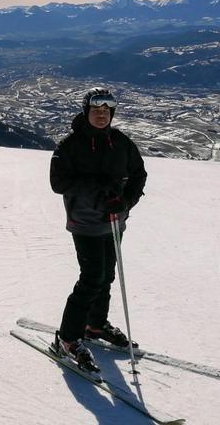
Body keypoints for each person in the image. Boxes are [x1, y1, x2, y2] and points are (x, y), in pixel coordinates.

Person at [49, 88, 147, 372]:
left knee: (106, 275)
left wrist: (125, 201)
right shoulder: (70, 145)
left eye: (106, 112)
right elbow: (58, 183)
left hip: (114, 221)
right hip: (85, 222)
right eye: (96, 111)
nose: (101, 116)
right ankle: (67, 337)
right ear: (85, 112)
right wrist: (98, 187)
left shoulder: (120, 142)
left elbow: (138, 174)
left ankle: (94, 324)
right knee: (92, 278)